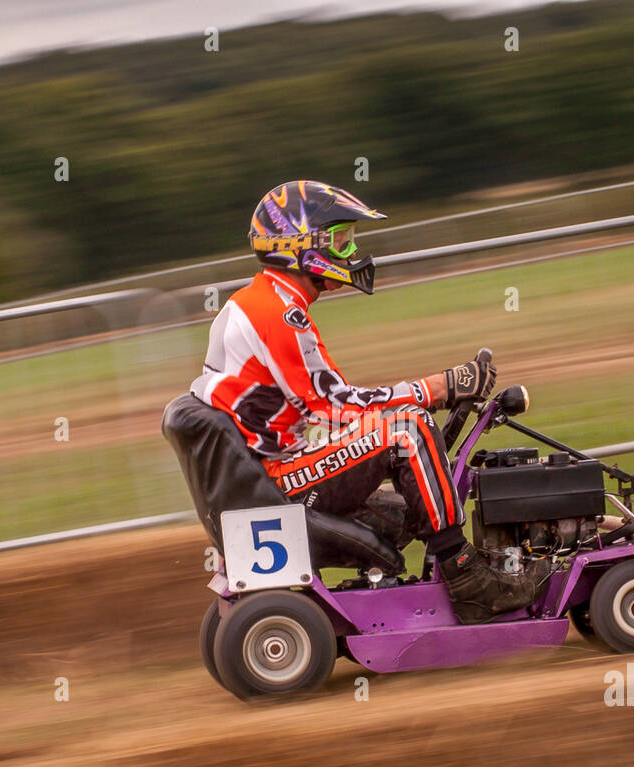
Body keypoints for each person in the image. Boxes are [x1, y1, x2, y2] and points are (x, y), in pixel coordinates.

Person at [190, 180, 547, 623]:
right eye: (340, 242)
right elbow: (333, 405)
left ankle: (451, 578)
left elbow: (314, 413)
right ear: (302, 246)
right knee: (408, 429)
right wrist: (437, 388)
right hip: (278, 481)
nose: (350, 252)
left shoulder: (257, 302)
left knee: (406, 508)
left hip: (268, 472)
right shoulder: (277, 314)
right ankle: (469, 581)